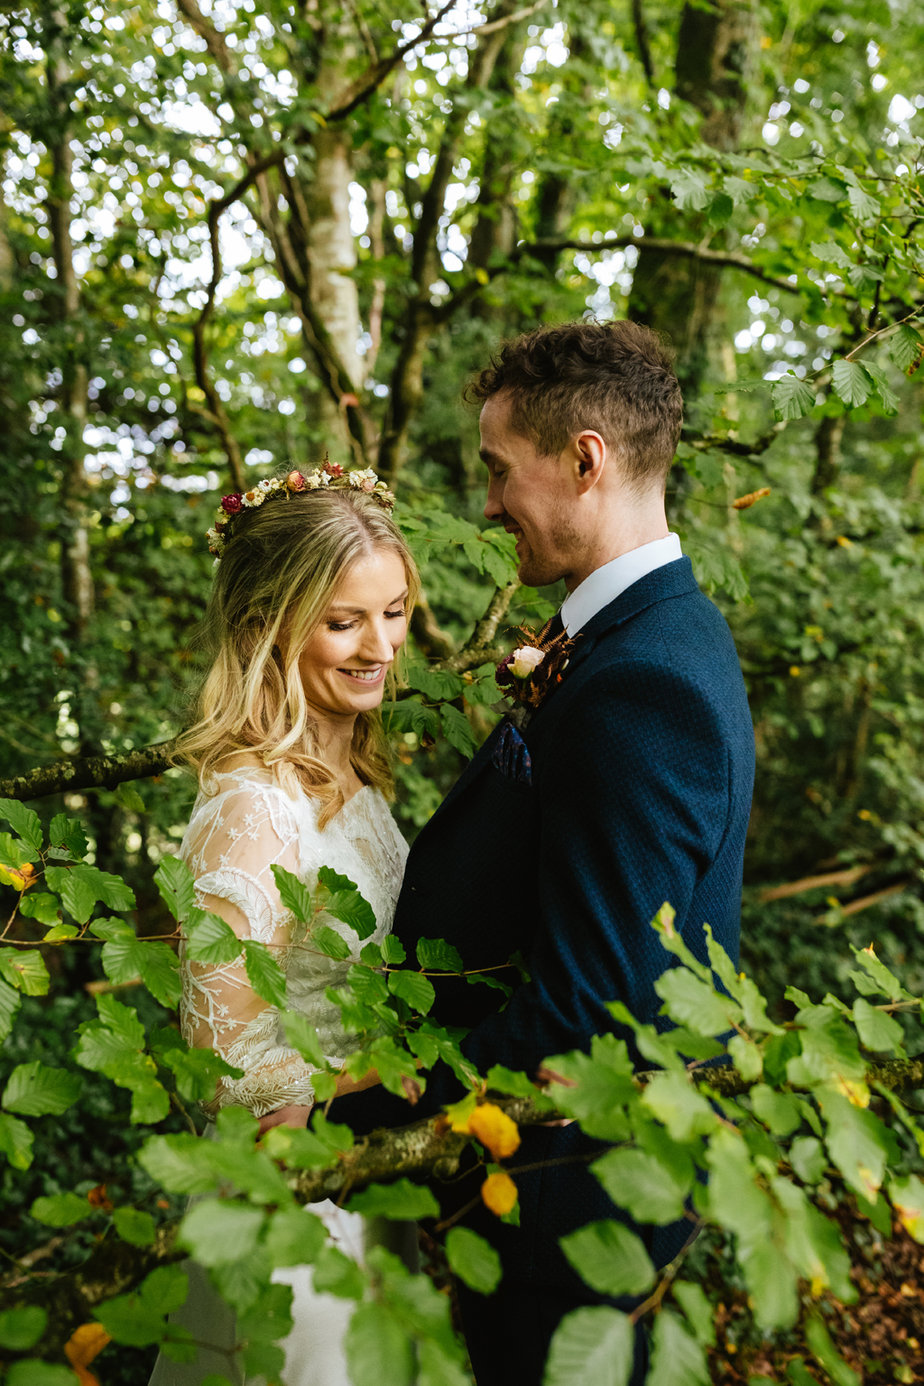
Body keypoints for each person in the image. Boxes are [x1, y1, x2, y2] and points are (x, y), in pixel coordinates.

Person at [339, 320, 755, 1385]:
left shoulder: (641, 681)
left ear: (584, 460)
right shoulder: (646, 634)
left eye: (495, 469)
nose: (485, 503)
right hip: (557, 1178)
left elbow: (587, 1000)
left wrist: (361, 1123)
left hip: (575, 1203)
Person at [149, 462, 419, 1386]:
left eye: (394, 611)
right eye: (343, 621)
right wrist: (383, 1074)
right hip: (290, 1202)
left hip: (369, 1179)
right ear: (267, 628)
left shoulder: (363, 774)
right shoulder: (252, 806)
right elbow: (221, 1063)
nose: (377, 645)